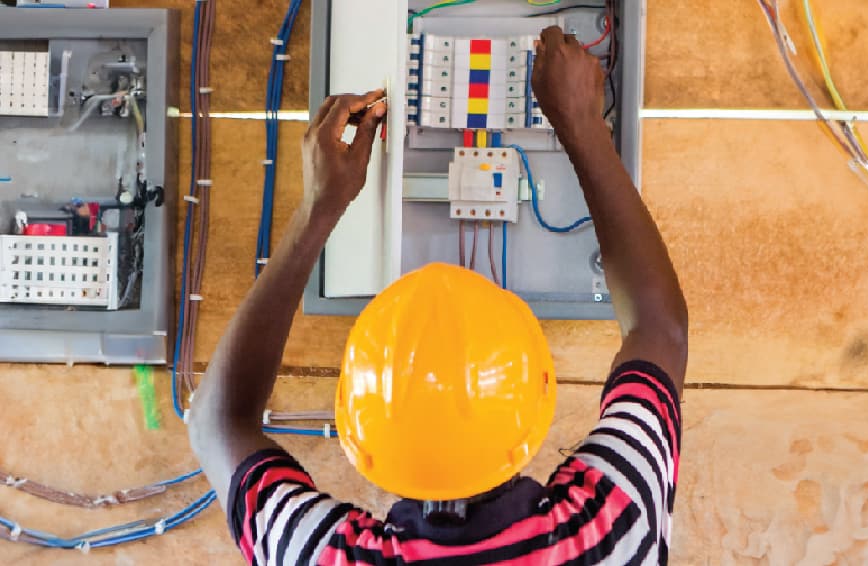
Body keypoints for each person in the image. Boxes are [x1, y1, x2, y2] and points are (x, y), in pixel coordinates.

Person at [188, 25, 687, 565]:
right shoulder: (613, 527)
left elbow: (217, 421)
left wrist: (318, 210)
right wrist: (582, 123)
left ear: (362, 431)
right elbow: (660, 328)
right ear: (536, 398)